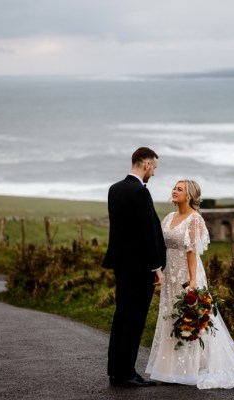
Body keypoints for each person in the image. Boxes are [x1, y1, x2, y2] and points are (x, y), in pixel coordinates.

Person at [145, 179, 234, 389]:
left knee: (189, 316)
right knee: (170, 315)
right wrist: (159, 270)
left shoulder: (195, 219)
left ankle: (192, 368)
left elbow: (192, 252)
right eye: (174, 188)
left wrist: (193, 281)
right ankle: (171, 369)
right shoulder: (169, 218)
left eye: (180, 189)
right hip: (170, 274)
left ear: (190, 195)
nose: (174, 191)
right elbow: (160, 245)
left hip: (188, 273)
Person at [101, 147, 166, 388]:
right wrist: (156, 267)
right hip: (139, 268)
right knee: (134, 319)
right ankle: (126, 373)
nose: (154, 173)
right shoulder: (139, 192)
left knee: (121, 316)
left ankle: (116, 372)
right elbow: (146, 233)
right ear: (146, 165)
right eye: (155, 168)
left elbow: (121, 230)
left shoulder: (114, 189)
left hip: (121, 264)